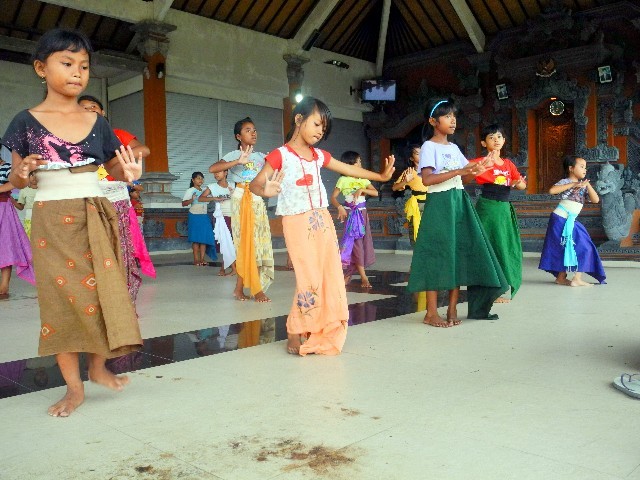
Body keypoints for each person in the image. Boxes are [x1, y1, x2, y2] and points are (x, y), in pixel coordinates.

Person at [3, 28, 143, 417]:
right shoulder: (25, 121)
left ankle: (98, 367)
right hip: (50, 218)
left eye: (83, 66)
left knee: (106, 294)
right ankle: (74, 389)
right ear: (40, 68)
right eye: (66, 63)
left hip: (95, 214)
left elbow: (114, 165)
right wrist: (23, 172)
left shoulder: (96, 120)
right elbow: (16, 178)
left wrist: (128, 171)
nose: (77, 72)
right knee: (63, 301)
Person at [249, 97, 395, 355]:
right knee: (309, 277)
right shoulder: (279, 155)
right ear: (298, 119)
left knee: (329, 274)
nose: (319, 131)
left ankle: (317, 325)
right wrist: (267, 191)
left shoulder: (319, 156)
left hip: (322, 221)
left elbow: (351, 170)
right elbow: (255, 185)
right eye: (317, 124)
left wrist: (380, 177)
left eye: (323, 129)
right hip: (296, 221)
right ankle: (295, 329)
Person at [406, 99, 508, 327]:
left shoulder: (453, 148)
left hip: (459, 201)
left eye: (454, 116)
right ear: (433, 121)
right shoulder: (428, 147)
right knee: (436, 254)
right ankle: (431, 313)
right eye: (447, 116)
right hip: (440, 203)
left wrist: (480, 169)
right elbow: (428, 179)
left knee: (458, 252)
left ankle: (452, 310)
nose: (453, 120)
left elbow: (465, 178)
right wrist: (461, 169)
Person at [79, 95, 155, 286]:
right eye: (83, 108)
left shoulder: (116, 134)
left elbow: (143, 150)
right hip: (85, 201)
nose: (89, 110)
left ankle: (121, 294)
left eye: (93, 106)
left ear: (102, 112)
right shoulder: (74, 142)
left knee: (120, 250)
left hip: (116, 201)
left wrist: (114, 157)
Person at [209, 117, 274, 302]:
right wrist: (237, 162)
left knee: (259, 244)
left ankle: (245, 288)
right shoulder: (232, 155)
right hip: (240, 198)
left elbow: (272, 173)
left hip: (257, 199)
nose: (253, 133)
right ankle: (254, 289)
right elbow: (213, 167)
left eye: (254, 129)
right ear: (238, 136)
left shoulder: (262, 157)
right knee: (245, 244)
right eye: (247, 130)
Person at [469, 124, 526, 303]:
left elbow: (522, 185)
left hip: (504, 209)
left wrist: (517, 182)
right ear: (483, 143)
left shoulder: (508, 164)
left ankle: (501, 287)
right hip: (488, 207)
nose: (496, 140)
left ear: (504, 141)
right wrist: (480, 168)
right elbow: (465, 176)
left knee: (504, 246)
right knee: (488, 246)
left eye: (499, 137)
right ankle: (489, 289)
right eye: (491, 137)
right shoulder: (479, 162)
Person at [538, 156, 606, 286]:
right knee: (563, 247)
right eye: (581, 166)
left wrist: (588, 185)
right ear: (571, 168)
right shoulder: (565, 181)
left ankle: (574, 278)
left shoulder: (584, 186)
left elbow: (596, 200)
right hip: (559, 218)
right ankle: (564, 278)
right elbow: (552, 190)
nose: (584, 169)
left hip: (571, 220)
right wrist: (574, 184)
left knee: (584, 246)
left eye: (585, 167)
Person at [330, 150, 377, 288]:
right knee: (354, 244)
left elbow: (375, 192)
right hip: (351, 215)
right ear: (351, 164)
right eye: (359, 161)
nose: (360, 164)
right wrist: (339, 207)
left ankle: (349, 273)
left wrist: (362, 190)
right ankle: (363, 277)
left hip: (362, 214)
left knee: (361, 243)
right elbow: (333, 197)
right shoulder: (343, 179)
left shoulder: (363, 179)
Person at [0, 158, 35, 295]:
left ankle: (4, 286)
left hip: (3, 208)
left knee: (6, 246)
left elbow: (16, 182)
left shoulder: (8, 167)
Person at [199, 167, 236, 276]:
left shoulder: (233, 185)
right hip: (222, 217)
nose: (216, 175)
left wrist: (233, 193)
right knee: (225, 242)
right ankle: (233, 268)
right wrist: (214, 198)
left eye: (218, 172)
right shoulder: (212, 187)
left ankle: (223, 268)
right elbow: (201, 198)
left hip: (235, 215)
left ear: (226, 172)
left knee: (231, 243)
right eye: (214, 173)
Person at [392, 143, 427, 242]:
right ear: (411, 158)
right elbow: (395, 188)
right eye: (417, 153)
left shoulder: (431, 169)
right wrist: (405, 181)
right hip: (417, 205)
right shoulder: (409, 172)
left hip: (432, 203)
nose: (421, 155)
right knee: (418, 234)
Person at [182, 171, 216, 266]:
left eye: (201, 178)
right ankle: (196, 259)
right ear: (193, 180)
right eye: (198, 178)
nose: (200, 180)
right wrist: (192, 199)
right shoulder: (190, 190)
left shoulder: (204, 191)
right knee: (196, 238)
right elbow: (184, 203)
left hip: (204, 216)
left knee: (204, 238)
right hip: (194, 215)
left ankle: (202, 258)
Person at [14, 171, 38, 238]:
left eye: (37, 175)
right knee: (29, 238)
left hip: (42, 217)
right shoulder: (24, 190)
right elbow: (20, 207)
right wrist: (12, 200)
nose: (34, 177)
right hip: (29, 218)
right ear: (28, 177)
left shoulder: (43, 190)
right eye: (32, 175)